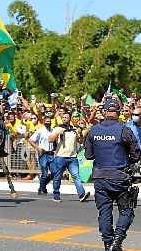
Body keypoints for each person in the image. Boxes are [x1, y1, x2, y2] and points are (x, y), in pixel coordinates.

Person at [84, 99, 140, 251]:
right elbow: (136, 155)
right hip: (120, 179)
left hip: (100, 178)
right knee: (127, 210)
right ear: (119, 112)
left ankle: (108, 243)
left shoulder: (94, 130)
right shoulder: (124, 130)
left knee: (104, 211)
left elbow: (88, 155)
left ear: (104, 112)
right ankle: (117, 240)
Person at [49, 110, 90, 202]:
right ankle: (56, 195)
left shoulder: (74, 130)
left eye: (66, 117)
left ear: (70, 118)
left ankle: (81, 194)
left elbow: (80, 141)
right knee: (57, 176)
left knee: (76, 176)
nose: (64, 119)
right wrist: (56, 134)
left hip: (72, 157)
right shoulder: (58, 128)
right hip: (60, 156)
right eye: (63, 117)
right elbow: (50, 139)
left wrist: (80, 134)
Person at [28, 116, 55, 195]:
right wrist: (37, 148)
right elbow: (30, 140)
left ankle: (42, 187)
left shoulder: (53, 131)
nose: (48, 123)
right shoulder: (40, 131)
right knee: (44, 173)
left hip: (51, 153)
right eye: (46, 121)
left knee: (54, 172)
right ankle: (42, 189)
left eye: (49, 121)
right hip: (43, 154)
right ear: (43, 122)